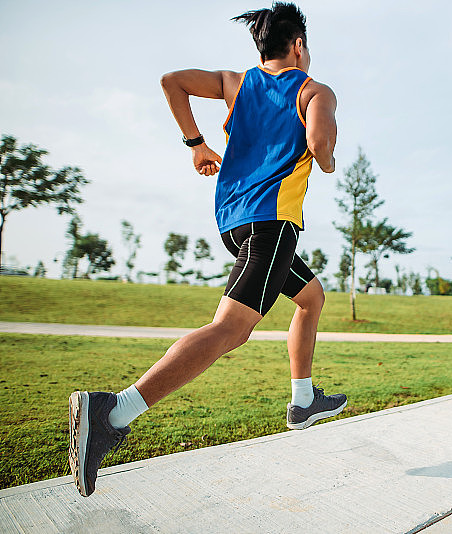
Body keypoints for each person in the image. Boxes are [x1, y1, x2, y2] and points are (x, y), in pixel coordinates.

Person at [68, 2, 346, 498]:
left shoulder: (237, 84)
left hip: (234, 223)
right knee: (230, 330)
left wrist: (196, 143)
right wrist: (325, 153)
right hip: (273, 224)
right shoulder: (314, 90)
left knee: (311, 297)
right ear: (299, 44)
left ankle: (303, 400)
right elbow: (321, 145)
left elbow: (171, 80)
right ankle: (112, 412)